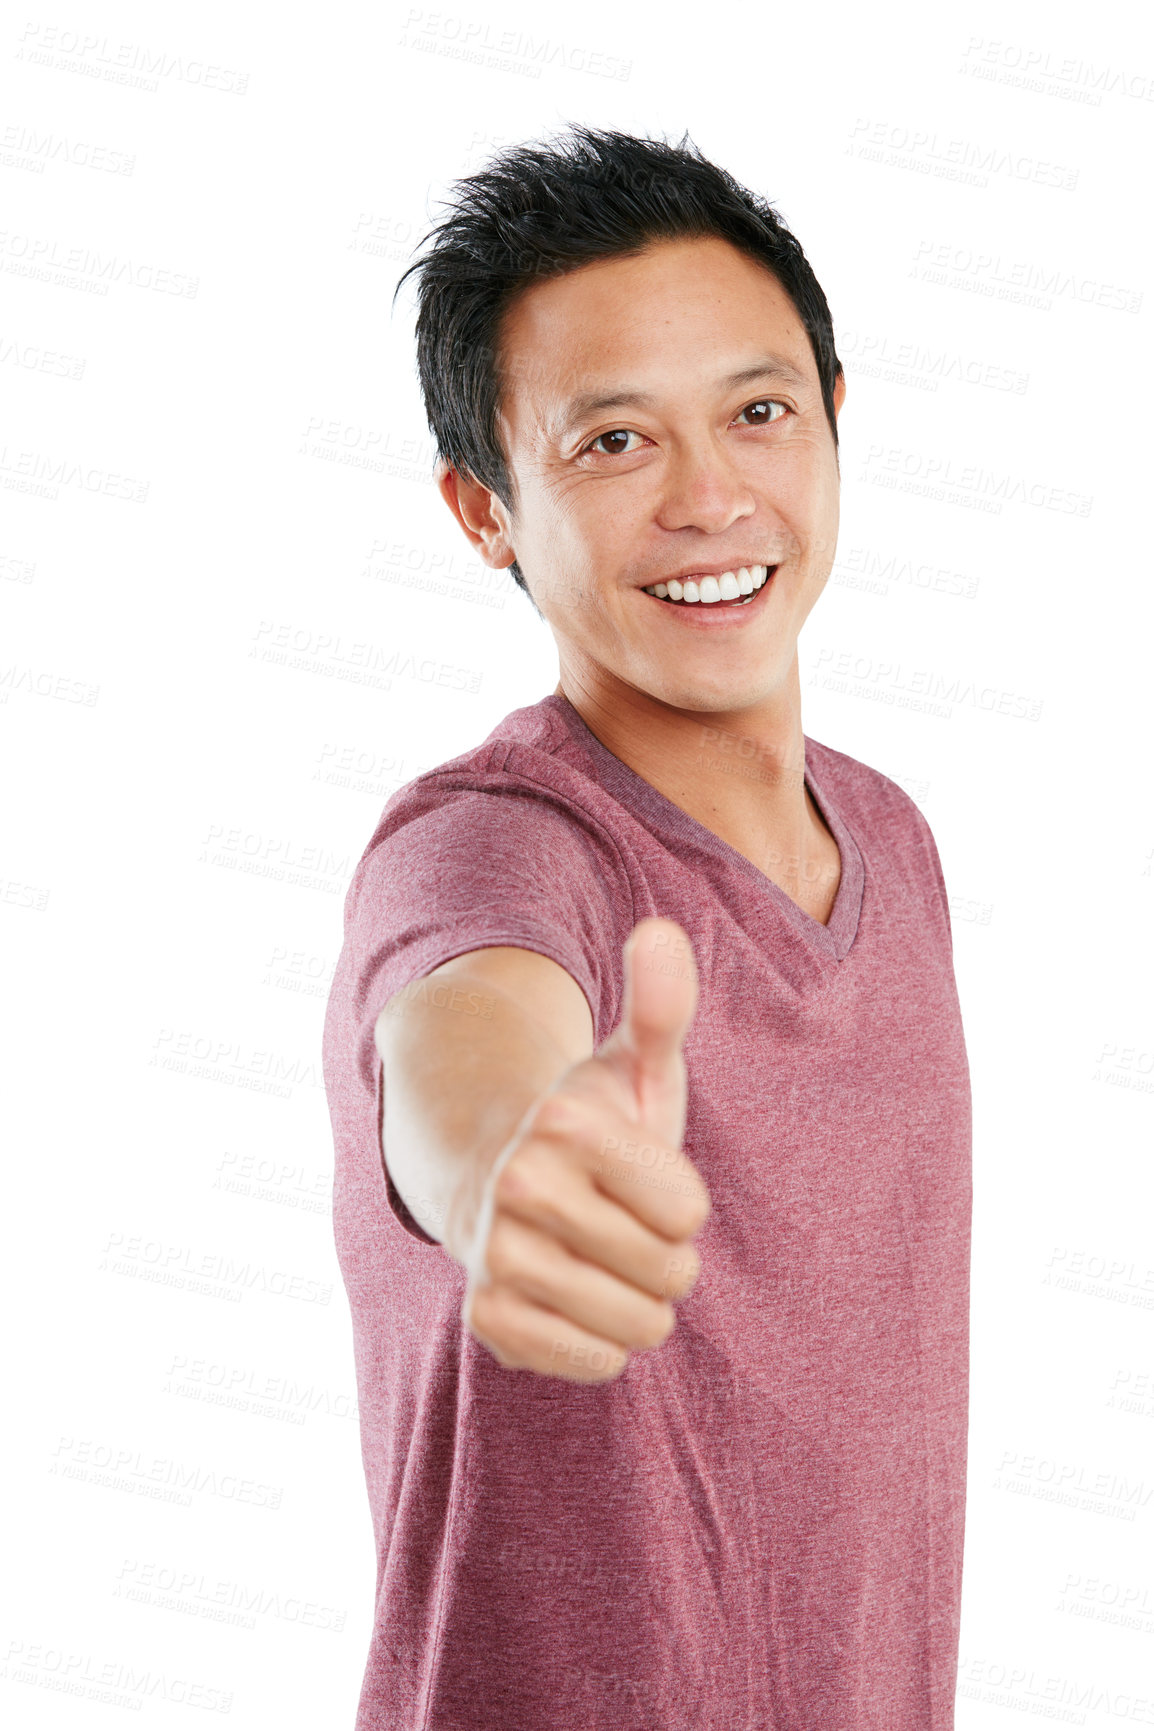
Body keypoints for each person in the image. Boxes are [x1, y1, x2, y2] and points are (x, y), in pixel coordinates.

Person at [322, 125, 972, 1730]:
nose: (708, 499)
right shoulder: (495, 843)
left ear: (833, 423)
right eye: (610, 444)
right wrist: (513, 1167)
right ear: (484, 511)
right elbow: (465, 1012)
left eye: (756, 413)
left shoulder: (890, 836)